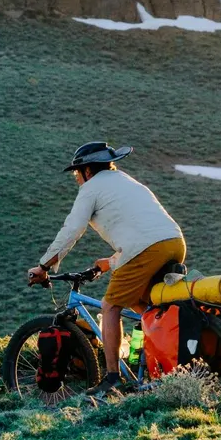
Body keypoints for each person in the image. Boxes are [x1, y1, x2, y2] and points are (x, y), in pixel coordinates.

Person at [27, 141, 186, 395]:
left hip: (146, 248)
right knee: (141, 305)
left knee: (111, 305)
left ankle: (112, 378)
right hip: (174, 242)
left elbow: (72, 230)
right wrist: (111, 262)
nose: (77, 179)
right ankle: (164, 363)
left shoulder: (91, 188)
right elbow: (138, 228)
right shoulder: (125, 180)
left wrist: (44, 265)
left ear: (87, 171)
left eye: (77, 174)